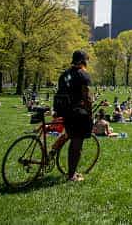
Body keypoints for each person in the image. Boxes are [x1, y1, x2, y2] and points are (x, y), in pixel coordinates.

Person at [52, 50, 94, 182]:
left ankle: (51, 153)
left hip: (63, 111)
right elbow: (86, 97)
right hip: (77, 112)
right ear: (83, 61)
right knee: (77, 144)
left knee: (69, 134)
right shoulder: (83, 75)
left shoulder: (64, 74)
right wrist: (90, 113)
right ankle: (72, 175)